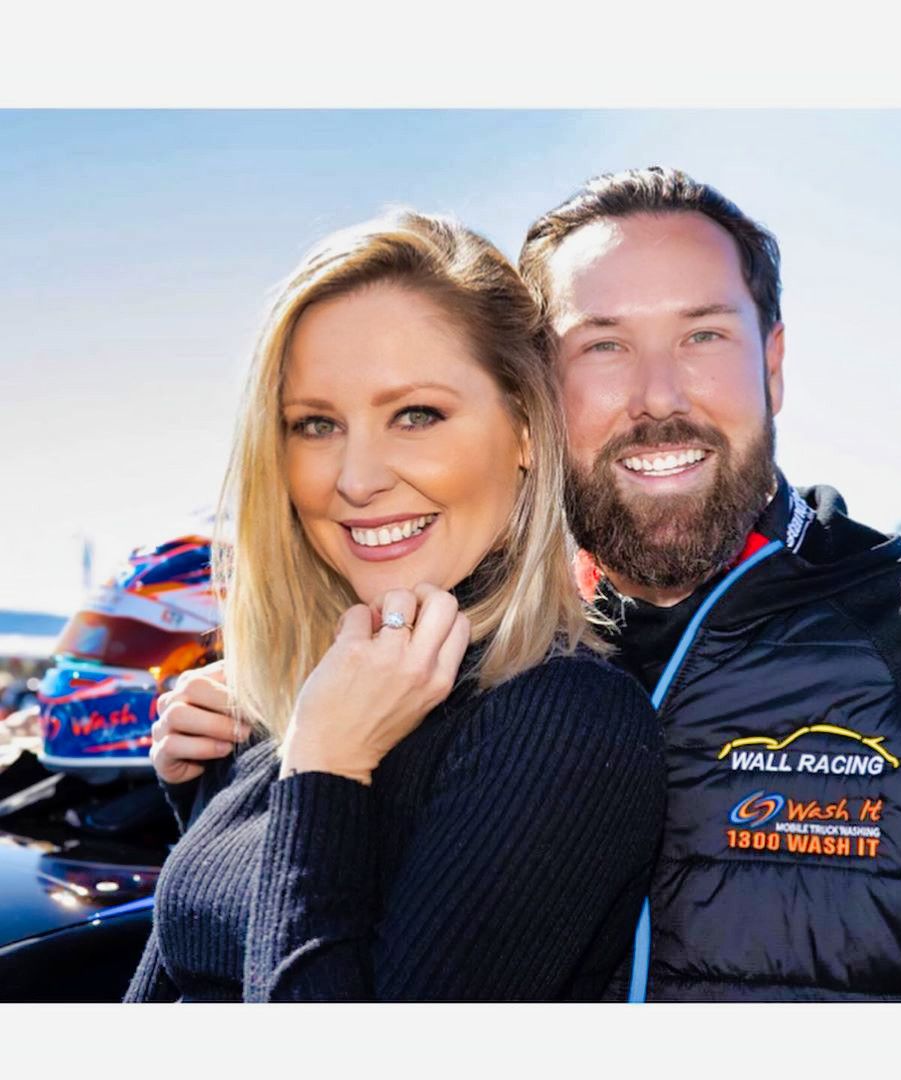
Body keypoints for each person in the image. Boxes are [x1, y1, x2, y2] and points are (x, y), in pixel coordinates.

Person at [517, 166, 901, 1001]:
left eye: (703, 336)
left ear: (772, 366)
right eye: (603, 345)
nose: (658, 397)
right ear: (533, 390)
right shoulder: (481, 669)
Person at [123, 211, 665, 1003]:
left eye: (415, 416)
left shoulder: (568, 724)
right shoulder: (331, 690)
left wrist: (327, 766)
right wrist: (214, 794)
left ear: (524, 426)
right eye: (315, 425)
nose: (356, 478)